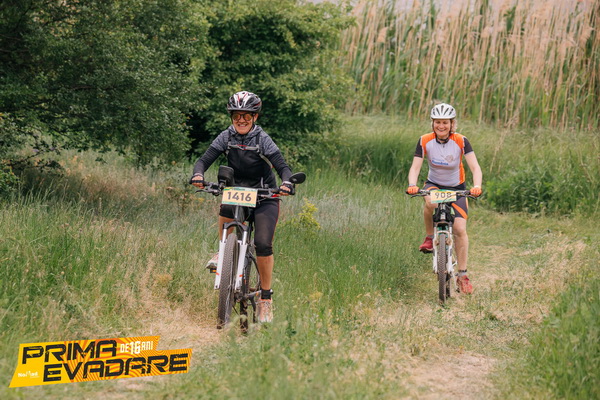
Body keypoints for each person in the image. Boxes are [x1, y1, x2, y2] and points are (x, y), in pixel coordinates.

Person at [190, 91, 294, 323]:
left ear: (255, 117)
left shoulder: (262, 139)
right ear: (232, 117)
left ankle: (265, 299)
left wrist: (287, 183)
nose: (241, 120)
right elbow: (204, 160)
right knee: (226, 205)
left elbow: (282, 167)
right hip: (238, 192)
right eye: (237, 115)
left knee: (263, 244)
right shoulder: (226, 136)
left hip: (265, 195)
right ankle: (223, 252)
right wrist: (198, 174)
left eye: (247, 115)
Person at [406, 103, 482, 294]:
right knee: (431, 201)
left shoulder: (461, 141)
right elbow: (415, 167)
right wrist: (412, 184)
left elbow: (475, 167)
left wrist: (477, 186)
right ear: (433, 123)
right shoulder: (425, 140)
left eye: (445, 122)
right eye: (438, 122)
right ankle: (430, 237)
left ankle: (462, 275)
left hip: (457, 187)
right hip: (434, 184)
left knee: (459, 229)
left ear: (452, 124)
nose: (441, 126)